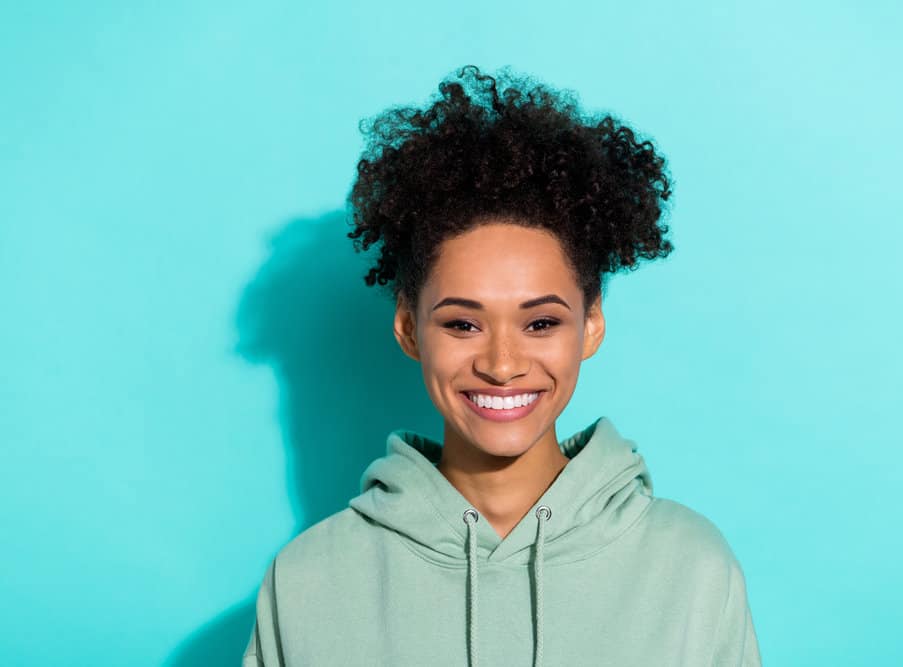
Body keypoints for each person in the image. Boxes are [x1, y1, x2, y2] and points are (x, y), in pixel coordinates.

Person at [243, 65, 761, 666]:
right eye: (462, 323)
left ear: (590, 324)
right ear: (410, 328)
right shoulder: (307, 581)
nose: (502, 363)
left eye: (540, 323)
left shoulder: (690, 565)